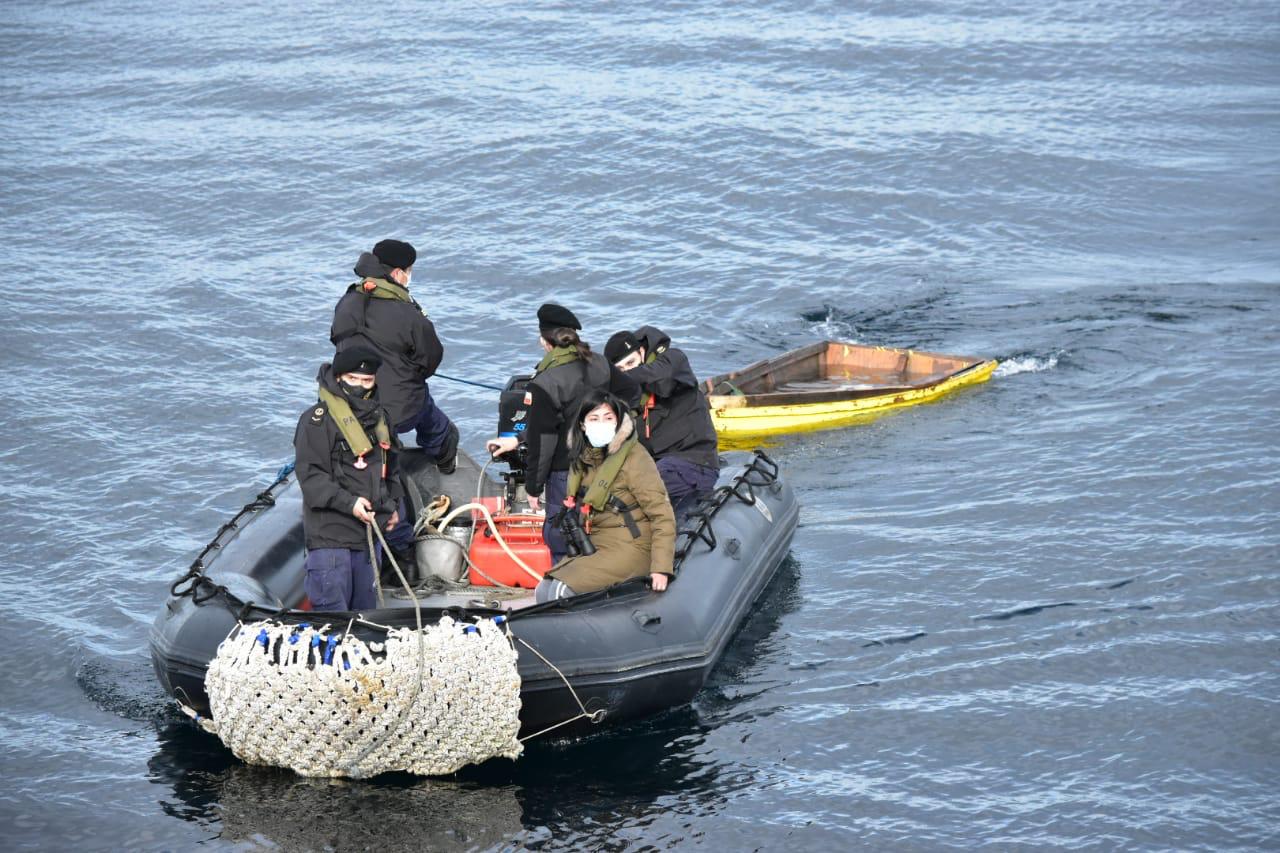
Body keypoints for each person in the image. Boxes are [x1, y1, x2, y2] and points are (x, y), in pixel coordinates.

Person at [486, 303, 639, 562]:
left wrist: (534, 488)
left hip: (564, 473)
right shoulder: (600, 363)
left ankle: (568, 591)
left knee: (562, 537)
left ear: (545, 342)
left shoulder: (545, 383)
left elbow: (544, 440)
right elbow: (632, 394)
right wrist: (612, 430)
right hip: (603, 462)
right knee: (602, 529)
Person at [330, 239, 459, 475]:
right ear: (399, 273)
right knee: (432, 418)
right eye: (409, 272)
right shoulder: (410, 314)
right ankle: (443, 459)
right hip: (399, 408)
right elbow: (430, 360)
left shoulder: (346, 302)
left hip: (349, 402)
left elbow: (337, 340)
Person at [534, 391, 676, 602]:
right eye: (594, 418)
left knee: (560, 591)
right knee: (543, 588)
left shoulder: (635, 457)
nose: (601, 423)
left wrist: (661, 568)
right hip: (597, 543)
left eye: (608, 418)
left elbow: (662, 514)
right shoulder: (583, 458)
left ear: (618, 422)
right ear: (583, 425)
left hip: (633, 545)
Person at [293, 346, 402, 611]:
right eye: (353, 379)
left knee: (365, 617)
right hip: (331, 540)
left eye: (367, 380)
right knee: (334, 621)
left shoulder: (381, 420)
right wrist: (350, 503)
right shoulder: (316, 422)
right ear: (339, 378)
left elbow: (391, 470)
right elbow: (311, 478)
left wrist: (393, 508)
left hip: (367, 541)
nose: (360, 386)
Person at [604, 326, 720, 516]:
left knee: (636, 490)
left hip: (696, 462)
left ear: (641, 352)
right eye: (620, 369)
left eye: (631, 362)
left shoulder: (674, 361)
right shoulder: (625, 398)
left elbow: (661, 375)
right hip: (659, 467)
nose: (627, 371)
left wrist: (618, 379)